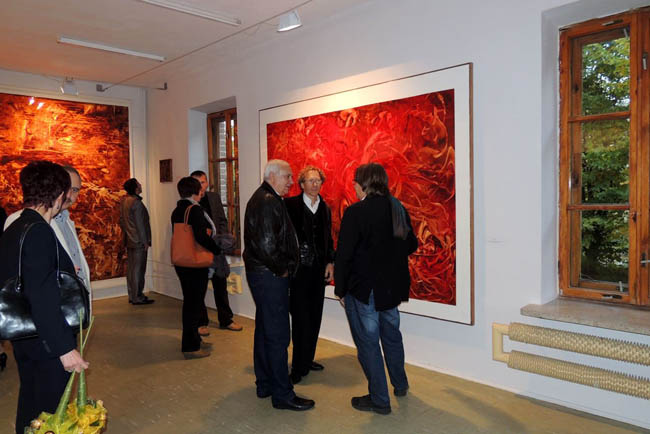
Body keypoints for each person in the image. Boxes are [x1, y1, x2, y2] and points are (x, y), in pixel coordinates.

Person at [0, 161, 89, 434]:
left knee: (31, 401)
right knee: (50, 410)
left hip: (24, 334)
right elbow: (41, 295)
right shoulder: (39, 230)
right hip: (46, 339)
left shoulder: (16, 226)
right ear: (59, 194)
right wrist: (65, 349)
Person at [334, 162, 418, 415]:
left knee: (368, 343)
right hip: (391, 288)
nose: (353, 187)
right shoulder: (397, 207)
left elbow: (344, 255)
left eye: (355, 182)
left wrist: (340, 289)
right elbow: (411, 244)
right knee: (391, 336)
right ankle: (400, 384)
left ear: (363, 184)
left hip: (365, 289)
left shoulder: (356, 212)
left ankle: (380, 399)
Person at [243, 159, 314, 411]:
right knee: (277, 334)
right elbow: (266, 245)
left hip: (264, 275)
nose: (291, 182)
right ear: (272, 176)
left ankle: (265, 384)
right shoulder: (267, 201)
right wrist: (283, 269)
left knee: (265, 329)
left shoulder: (266, 197)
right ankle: (282, 394)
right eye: (287, 176)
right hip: (270, 276)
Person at [285, 165, 334, 384]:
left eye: (318, 180)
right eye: (310, 180)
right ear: (301, 184)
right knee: (300, 318)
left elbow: (328, 239)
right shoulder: (290, 205)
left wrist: (330, 262)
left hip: (318, 271)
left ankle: (308, 358)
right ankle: (297, 366)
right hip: (298, 271)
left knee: (315, 316)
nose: (315, 184)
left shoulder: (325, 207)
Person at [171, 177, 221, 359]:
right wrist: (217, 249)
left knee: (191, 302)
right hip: (195, 263)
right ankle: (190, 346)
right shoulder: (195, 210)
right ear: (195, 191)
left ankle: (194, 339)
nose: (203, 191)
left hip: (182, 262)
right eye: (200, 188)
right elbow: (201, 237)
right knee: (193, 305)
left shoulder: (178, 210)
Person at [190, 170, 243, 333]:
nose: (201, 186)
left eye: (203, 182)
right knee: (199, 288)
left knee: (220, 284)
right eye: (197, 182)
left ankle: (226, 319)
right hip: (199, 250)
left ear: (207, 183)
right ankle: (201, 322)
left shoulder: (214, 197)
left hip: (216, 249)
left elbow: (221, 219)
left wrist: (223, 238)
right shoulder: (189, 201)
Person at [51, 166, 92, 310]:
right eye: (66, 187)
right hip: (56, 305)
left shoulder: (67, 221)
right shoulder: (37, 223)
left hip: (75, 302)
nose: (69, 195)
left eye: (75, 190)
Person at [119, 178, 153, 305]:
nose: (141, 185)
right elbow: (140, 225)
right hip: (138, 241)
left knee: (131, 269)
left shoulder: (124, 201)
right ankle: (138, 296)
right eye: (138, 184)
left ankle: (132, 295)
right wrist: (145, 241)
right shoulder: (136, 203)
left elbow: (122, 221)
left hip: (129, 240)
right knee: (138, 269)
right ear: (136, 188)